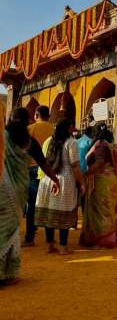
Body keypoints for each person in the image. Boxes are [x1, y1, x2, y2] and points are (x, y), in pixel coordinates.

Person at [0, 112, 59, 285]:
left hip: (2, 187)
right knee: (9, 231)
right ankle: (6, 274)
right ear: (27, 123)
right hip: (16, 192)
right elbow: (43, 163)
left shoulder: (3, 137)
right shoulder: (29, 142)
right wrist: (55, 179)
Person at [34, 119, 85, 255]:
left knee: (50, 212)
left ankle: (50, 245)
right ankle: (63, 247)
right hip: (65, 179)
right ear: (69, 128)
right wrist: (81, 182)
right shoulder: (71, 142)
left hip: (49, 178)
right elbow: (74, 165)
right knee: (65, 213)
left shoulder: (51, 140)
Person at [80, 126, 117, 248]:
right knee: (111, 208)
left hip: (101, 180)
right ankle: (115, 234)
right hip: (112, 179)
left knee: (100, 209)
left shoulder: (100, 145)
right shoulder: (114, 147)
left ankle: (102, 238)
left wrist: (87, 173)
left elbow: (100, 162)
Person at [24, 105, 54, 246]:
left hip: (32, 168)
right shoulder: (54, 129)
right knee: (48, 203)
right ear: (48, 115)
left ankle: (30, 238)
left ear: (36, 115)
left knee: (32, 204)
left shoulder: (30, 129)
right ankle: (50, 238)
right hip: (49, 169)